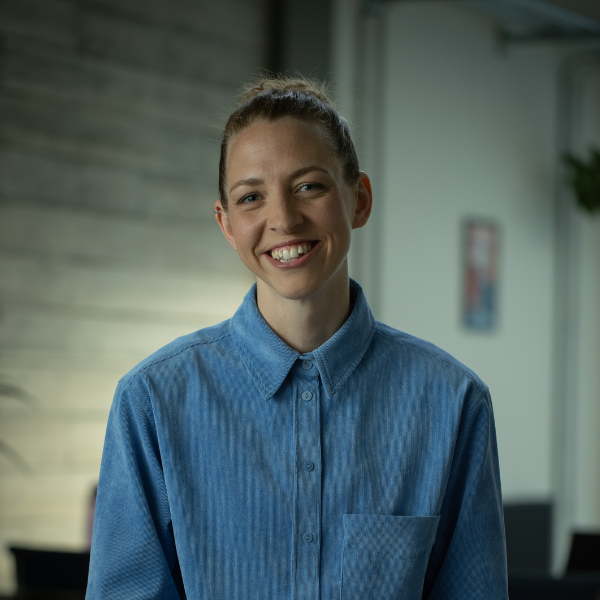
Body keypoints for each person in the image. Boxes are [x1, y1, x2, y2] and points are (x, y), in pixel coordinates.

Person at [86, 77, 509, 600]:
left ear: (359, 199)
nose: (283, 219)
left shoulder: (453, 402)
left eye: (310, 186)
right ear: (226, 224)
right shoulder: (150, 403)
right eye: (251, 197)